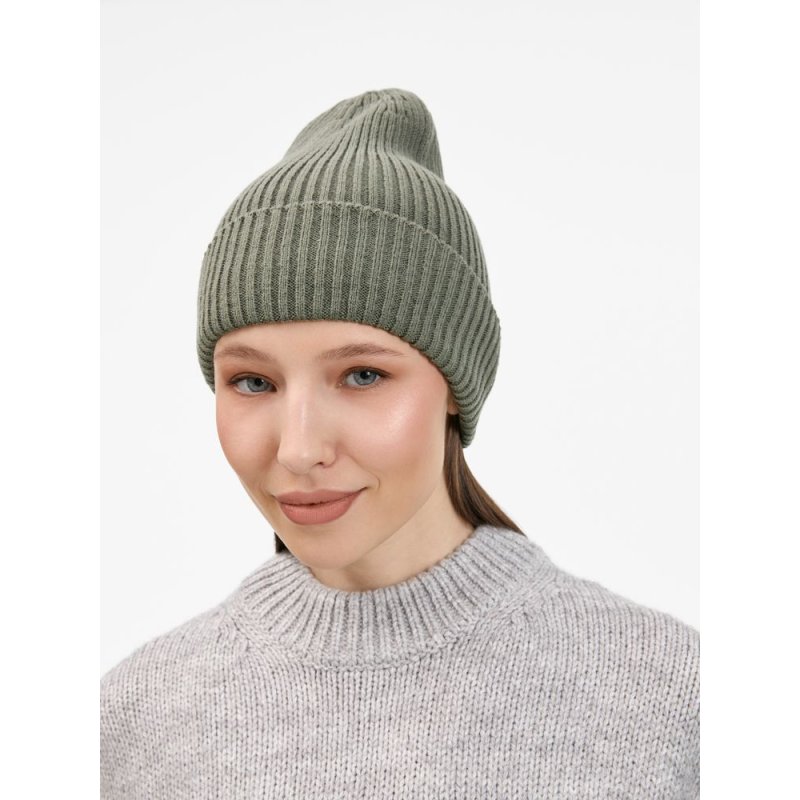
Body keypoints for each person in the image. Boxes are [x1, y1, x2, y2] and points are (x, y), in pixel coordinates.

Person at [100, 87, 699, 798]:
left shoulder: (673, 699)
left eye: (363, 375)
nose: (298, 449)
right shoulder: (137, 720)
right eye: (253, 382)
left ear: (456, 385)